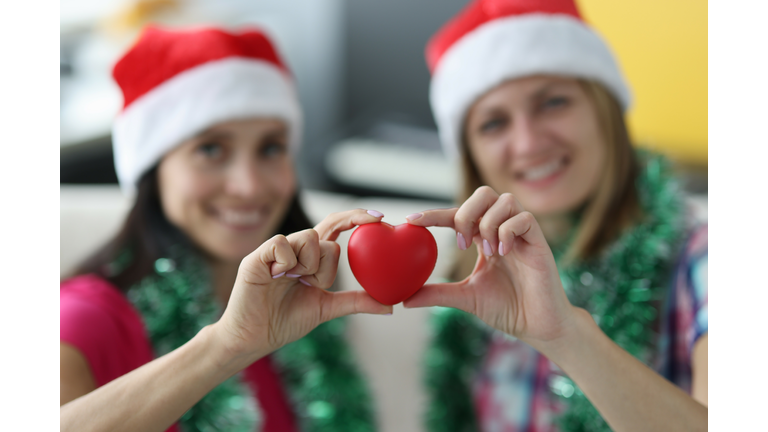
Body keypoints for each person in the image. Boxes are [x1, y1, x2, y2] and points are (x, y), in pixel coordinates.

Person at [59, 26, 392, 432]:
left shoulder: (304, 309)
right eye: (211, 150)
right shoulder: (82, 320)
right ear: (152, 168)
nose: (249, 186)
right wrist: (227, 345)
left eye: (271, 148)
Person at [402, 1, 708, 431]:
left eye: (553, 103)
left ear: (604, 110)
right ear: (471, 158)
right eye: (493, 124)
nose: (528, 143)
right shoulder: (472, 277)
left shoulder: (705, 255)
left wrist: (566, 337)